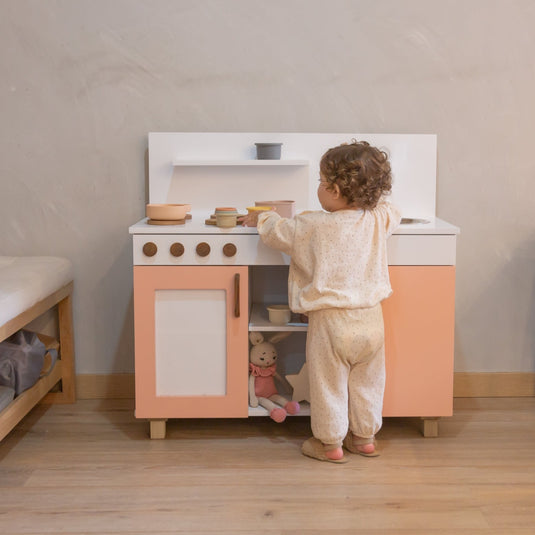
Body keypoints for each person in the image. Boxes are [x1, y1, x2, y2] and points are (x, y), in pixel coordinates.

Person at [241, 140, 401, 463]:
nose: (317, 188)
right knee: (368, 383)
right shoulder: (375, 220)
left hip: (331, 324)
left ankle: (329, 444)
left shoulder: (312, 225)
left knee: (328, 384)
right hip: (371, 322)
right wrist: (371, 191)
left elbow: (277, 232)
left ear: (336, 191)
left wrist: (262, 218)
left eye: (320, 182)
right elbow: (391, 209)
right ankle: (365, 437)